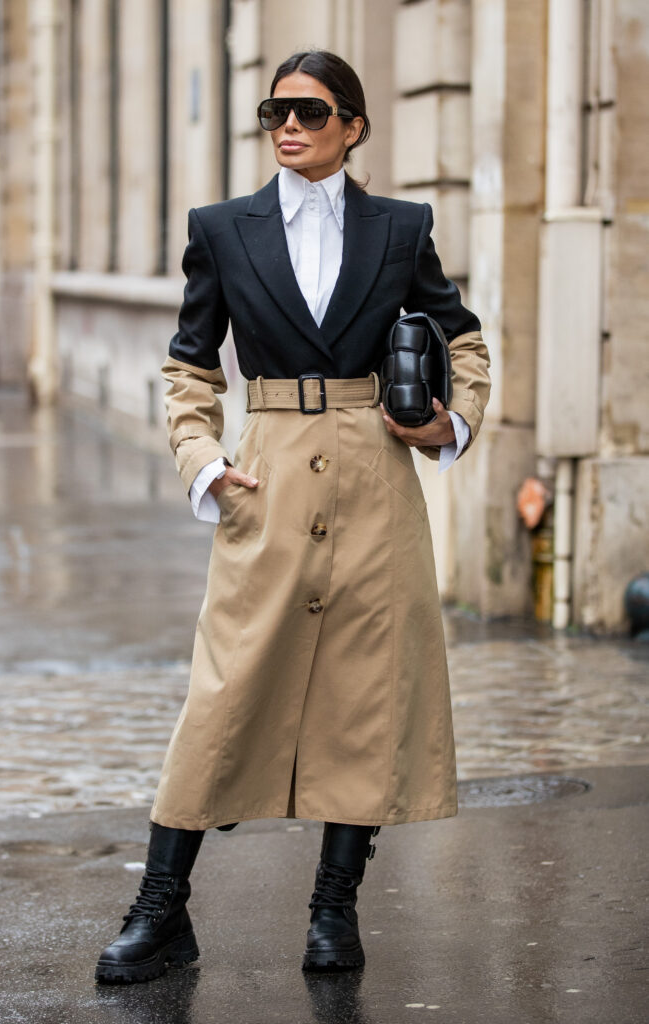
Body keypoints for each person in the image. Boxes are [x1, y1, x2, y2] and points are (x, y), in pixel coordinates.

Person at [95, 48, 490, 984]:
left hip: (373, 481)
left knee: (365, 695)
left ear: (352, 126)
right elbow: (189, 365)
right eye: (275, 111)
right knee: (222, 696)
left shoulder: (401, 227)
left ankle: (333, 912)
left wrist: (451, 420)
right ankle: (160, 912)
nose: (288, 127)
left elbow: (460, 335)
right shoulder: (223, 229)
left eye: (311, 114)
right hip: (264, 481)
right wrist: (203, 462)